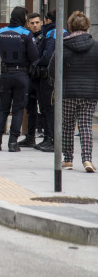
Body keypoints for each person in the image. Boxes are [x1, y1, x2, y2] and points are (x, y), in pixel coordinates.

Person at [48, 11, 98, 173]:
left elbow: (52, 69)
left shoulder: (62, 46)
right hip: (89, 94)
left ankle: (68, 159)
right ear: (87, 26)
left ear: (70, 26)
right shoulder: (96, 46)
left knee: (68, 126)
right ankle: (87, 159)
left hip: (67, 92)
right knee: (85, 126)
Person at [0, 6, 39, 152]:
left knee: (3, 110)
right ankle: (12, 143)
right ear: (23, 18)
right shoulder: (26, 34)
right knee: (18, 110)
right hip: (21, 75)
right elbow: (35, 56)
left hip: (5, 74)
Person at [34, 10, 64, 153]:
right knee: (48, 108)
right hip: (55, 76)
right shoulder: (63, 32)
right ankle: (48, 138)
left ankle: (50, 139)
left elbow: (47, 56)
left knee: (48, 108)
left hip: (48, 77)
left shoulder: (52, 34)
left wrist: (36, 63)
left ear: (47, 21)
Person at [19, 12, 44, 147]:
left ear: (41, 23)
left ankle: (48, 138)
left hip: (41, 77)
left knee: (44, 108)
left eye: (37, 22)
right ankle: (30, 137)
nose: (35, 25)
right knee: (30, 108)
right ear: (28, 24)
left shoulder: (44, 37)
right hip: (29, 76)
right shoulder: (26, 37)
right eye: (32, 23)